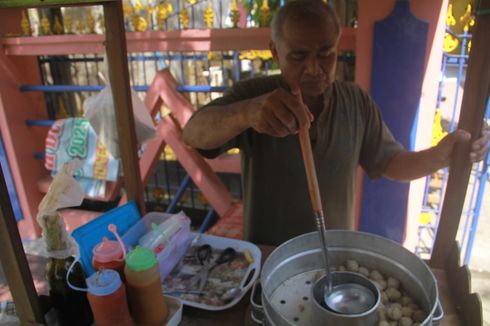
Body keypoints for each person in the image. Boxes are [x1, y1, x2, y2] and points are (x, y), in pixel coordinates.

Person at [183, 0, 490, 246]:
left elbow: (393, 163)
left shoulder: (355, 102)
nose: (314, 69)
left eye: (326, 54)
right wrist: (245, 113)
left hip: (333, 257)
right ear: (275, 51)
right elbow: (193, 134)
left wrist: (442, 154)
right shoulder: (254, 96)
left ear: (337, 46)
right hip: (269, 258)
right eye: (299, 56)